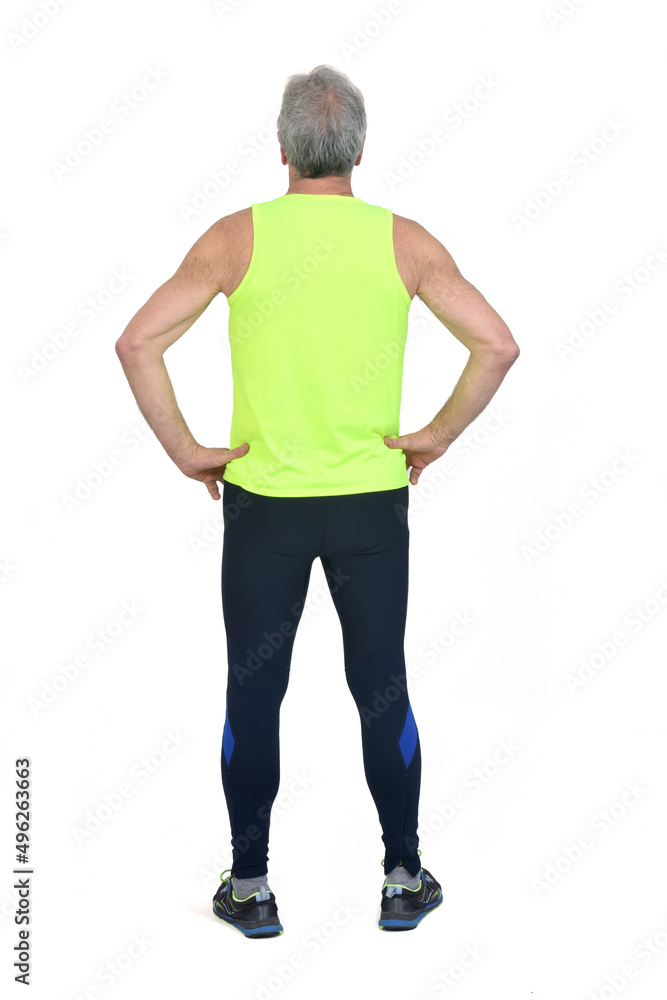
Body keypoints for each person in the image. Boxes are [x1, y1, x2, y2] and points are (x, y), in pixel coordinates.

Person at [115, 64, 519, 938]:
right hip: (372, 506)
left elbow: (137, 340)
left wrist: (188, 453)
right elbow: (495, 344)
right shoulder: (404, 243)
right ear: (359, 151)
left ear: (284, 149)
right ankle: (403, 876)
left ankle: (251, 886)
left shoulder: (235, 239)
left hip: (263, 508)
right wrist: (434, 437)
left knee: (254, 691)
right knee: (381, 684)